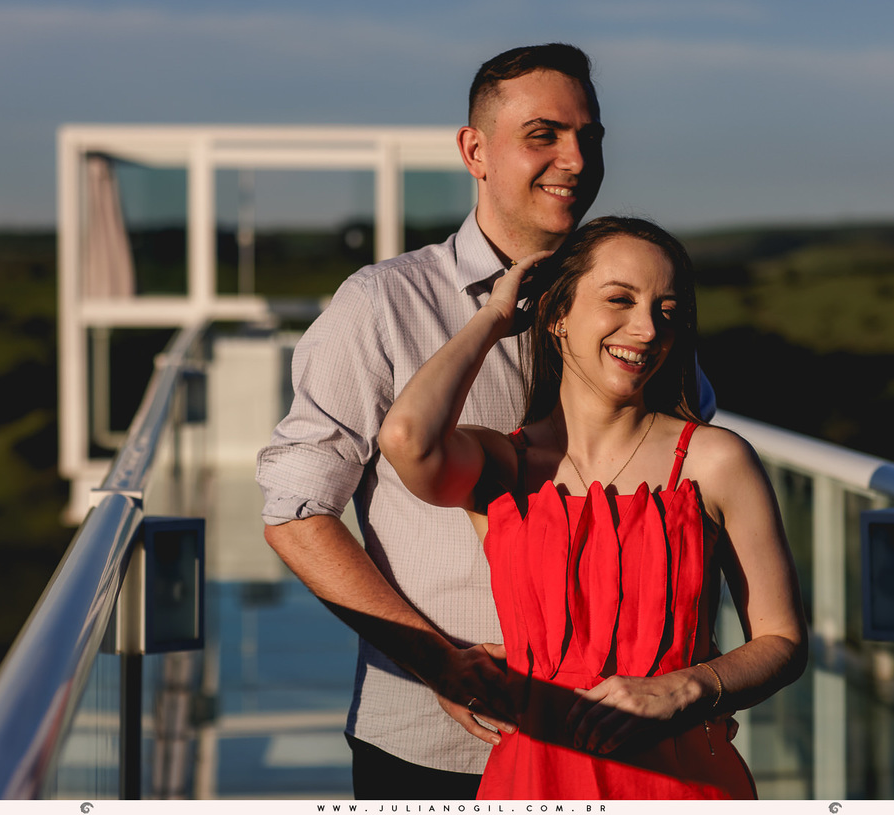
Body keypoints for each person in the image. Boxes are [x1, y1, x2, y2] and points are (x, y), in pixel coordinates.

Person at [256, 44, 714, 799]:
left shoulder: (637, 313)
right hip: (437, 748)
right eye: (543, 134)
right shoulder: (383, 304)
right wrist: (439, 660)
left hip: (626, 755)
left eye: (588, 137)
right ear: (475, 150)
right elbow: (297, 511)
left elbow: (690, 485)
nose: (575, 159)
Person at [378, 216, 807, 799]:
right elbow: (406, 439)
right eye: (619, 299)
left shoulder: (714, 460)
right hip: (534, 778)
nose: (647, 328)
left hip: (680, 781)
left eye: (667, 310)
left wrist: (684, 688)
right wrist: (495, 318)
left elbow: (781, 643)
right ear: (558, 316)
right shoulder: (502, 465)